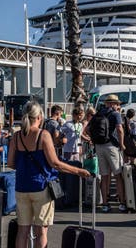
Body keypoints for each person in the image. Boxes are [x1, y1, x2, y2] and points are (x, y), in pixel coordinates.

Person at [7, 101, 90, 248]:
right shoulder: (43, 135)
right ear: (39, 116)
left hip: (21, 187)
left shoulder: (17, 136)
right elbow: (55, 163)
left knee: (22, 231)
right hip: (41, 187)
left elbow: (11, 164)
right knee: (41, 232)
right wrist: (78, 171)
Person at [87, 94, 127, 213]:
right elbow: (119, 129)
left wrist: (94, 140)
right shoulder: (115, 114)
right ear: (113, 104)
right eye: (117, 104)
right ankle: (122, 203)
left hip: (99, 146)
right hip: (111, 146)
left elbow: (88, 129)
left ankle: (105, 204)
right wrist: (122, 144)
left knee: (104, 176)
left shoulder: (98, 114)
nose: (117, 106)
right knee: (118, 175)